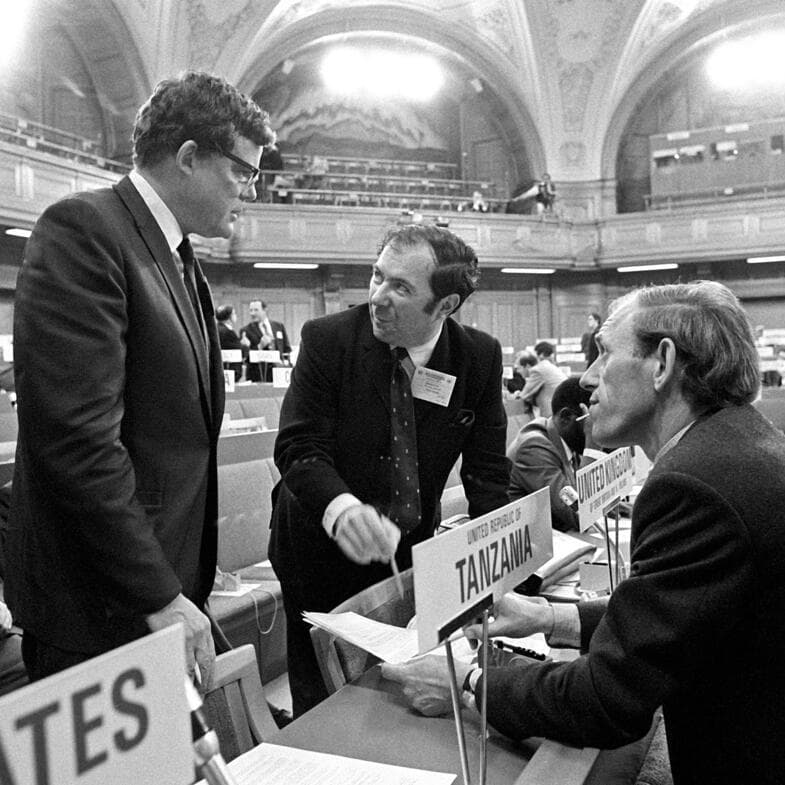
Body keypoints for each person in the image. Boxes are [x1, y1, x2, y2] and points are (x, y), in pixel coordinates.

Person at [383, 280, 785, 785]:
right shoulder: (736, 444)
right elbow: (673, 621)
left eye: (603, 354)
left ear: (661, 364)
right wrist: (547, 616)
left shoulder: (694, 483)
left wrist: (466, 679)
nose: (587, 379)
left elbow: (609, 700)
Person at [6, 72, 274, 687]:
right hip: (100, 605)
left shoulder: (178, 258)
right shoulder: (85, 230)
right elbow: (77, 440)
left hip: (158, 594)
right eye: (244, 171)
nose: (251, 192)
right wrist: (157, 593)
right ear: (188, 158)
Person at [269, 223, 510, 716]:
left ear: (446, 306)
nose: (378, 296)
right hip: (318, 542)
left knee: (400, 692)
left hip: (410, 546)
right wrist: (341, 509)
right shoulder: (327, 340)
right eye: (377, 276)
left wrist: (499, 574)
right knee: (325, 697)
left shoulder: (478, 357)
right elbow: (299, 445)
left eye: (401, 287)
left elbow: (486, 473)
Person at [507, 377, 591, 532]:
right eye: (591, 422)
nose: (596, 429)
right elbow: (582, 514)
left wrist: (608, 504)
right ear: (566, 417)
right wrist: (592, 445)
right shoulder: (534, 449)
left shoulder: (567, 441)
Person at [242, 299, 292, 382]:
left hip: (279, 372)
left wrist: (286, 363)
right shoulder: (246, 330)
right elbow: (246, 357)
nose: (252, 313)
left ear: (264, 310)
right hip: (258, 374)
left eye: (256, 310)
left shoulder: (278, 326)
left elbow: (286, 348)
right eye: (250, 310)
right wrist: (260, 346)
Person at [519, 341, 567, 417]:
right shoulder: (548, 366)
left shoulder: (538, 370)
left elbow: (525, 394)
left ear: (540, 355)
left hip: (553, 411)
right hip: (563, 407)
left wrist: (516, 395)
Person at [216, 304, 245, 382]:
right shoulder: (228, 332)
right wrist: (245, 345)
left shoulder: (217, 329)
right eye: (234, 313)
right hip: (229, 371)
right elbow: (238, 350)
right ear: (229, 317)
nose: (236, 316)